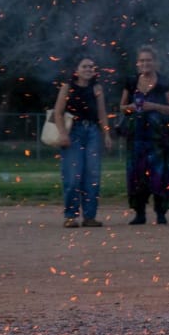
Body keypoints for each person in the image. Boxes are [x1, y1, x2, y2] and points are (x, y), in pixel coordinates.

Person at [119, 46, 169, 225]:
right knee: (137, 174)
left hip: (158, 137)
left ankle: (160, 212)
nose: (145, 63)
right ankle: (140, 213)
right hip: (137, 136)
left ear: (155, 62)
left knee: (159, 173)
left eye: (148, 60)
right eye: (142, 60)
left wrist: (153, 106)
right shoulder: (131, 82)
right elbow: (122, 107)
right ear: (137, 63)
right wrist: (131, 107)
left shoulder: (164, 82)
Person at [52, 57, 112, 228]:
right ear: (76, 70)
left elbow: (102, 113)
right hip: (74, 131)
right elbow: (57, 113)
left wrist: (106, 134)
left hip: (92, 131)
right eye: (84, 66)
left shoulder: (96, 88)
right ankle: (71, 216)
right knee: (73, 175)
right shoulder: (67, 87)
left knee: (92, 175)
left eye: (91, 67)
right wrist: (63, 133)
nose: (88, 69)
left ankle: (90, 216)